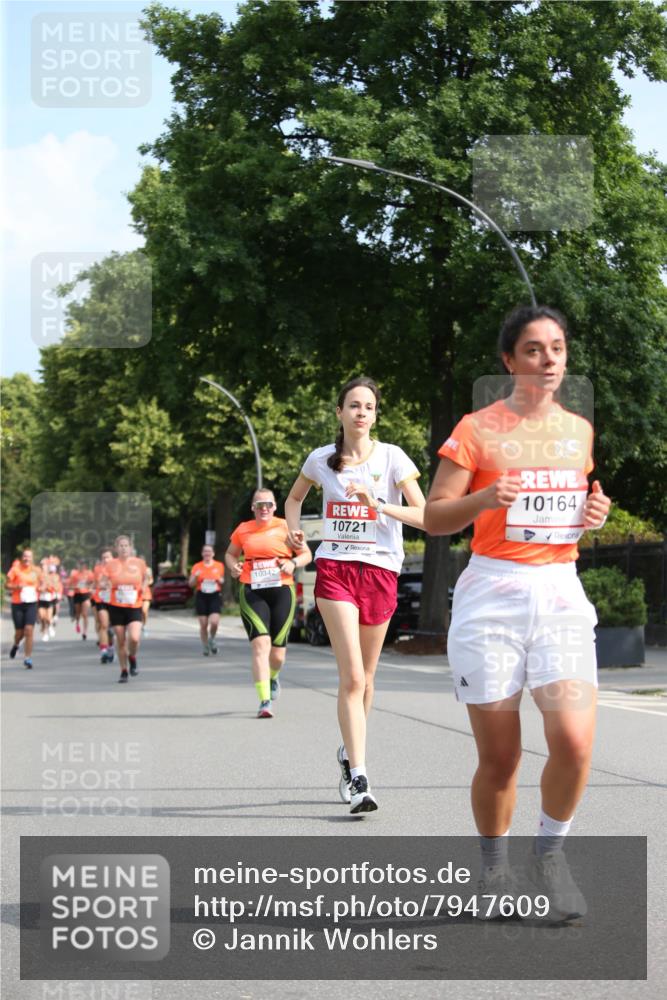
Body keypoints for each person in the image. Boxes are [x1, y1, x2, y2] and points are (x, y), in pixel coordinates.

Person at [424, 304, 611, 920]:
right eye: (534, 349)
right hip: (494, 597)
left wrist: (591, 516)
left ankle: (550, 856)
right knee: (501, 759)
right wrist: (483, 496)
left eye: (557, 348)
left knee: (575, 743)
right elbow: (435, 516)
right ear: (509, 360)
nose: (548, 359)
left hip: (558, 590)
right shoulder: (478, 428)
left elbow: (567, 512)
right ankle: (494, 871)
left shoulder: (578, 431)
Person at [285, 377, 426, 812]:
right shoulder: (321, 460)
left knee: (368, 678)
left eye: (368, 407)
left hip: (381, 570)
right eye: (353, 405)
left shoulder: (393, 458)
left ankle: (348, 752)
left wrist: (378, 505)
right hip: (336, 569)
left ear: (375, 415)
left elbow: (425, 515)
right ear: (339, 413)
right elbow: (294, 498)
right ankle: (361, 778)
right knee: (352, 678)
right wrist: (295, 534)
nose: (361, 412)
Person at [226, 489, 312, 718]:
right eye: (259, 504)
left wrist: (293, 563)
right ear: (252, 508)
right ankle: (264, 701)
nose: (264, 508)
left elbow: (307, 554)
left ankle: (273, 677)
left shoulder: (286, 527)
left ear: (275, 507)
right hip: (252, 590)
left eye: (268, 504)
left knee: (278, 654)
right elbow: (230, 554)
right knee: (260, 645)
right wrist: (233, 566)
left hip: (282, 590)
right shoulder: (243, 529)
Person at [100, 536, 149, 684]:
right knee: (120, 641)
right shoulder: (111, 565)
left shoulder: (139, 563)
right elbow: (103, 580)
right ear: (116, 548)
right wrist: (105, 586)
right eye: (120, 546)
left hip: (134, 605)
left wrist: (144, 586)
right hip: (117, 606)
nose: (123, 548)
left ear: (130, 547)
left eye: (126, 545)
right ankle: (124, 670)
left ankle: (132, 657)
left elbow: (147, 578)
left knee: (134, 638)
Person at [6, 549, 41, 669]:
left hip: (31, 603)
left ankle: (28, 658)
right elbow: (7, 585)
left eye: (29, 557)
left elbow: (43, 583)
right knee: (19, 633)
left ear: (32, 558)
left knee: (29, 630)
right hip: (17, 604)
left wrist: (43, 587)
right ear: (22, 557)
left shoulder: (36, 570)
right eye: (25, 556)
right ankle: (16, 645)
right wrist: (16, 586)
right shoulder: (16, 569)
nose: (27, 559)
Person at [188, 545, 225, 655]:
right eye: (205, 551)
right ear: (202, 553)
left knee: (214, 622)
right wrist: (195, 577)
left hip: (214, 595)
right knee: (203, 624)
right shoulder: (197, 566)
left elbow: (222, 580)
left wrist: (220, 579)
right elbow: (190, 584)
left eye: (209, 551)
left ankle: (211, 639)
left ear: (213, 553)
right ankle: (205, 646)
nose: (207, 553)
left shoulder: (219, 565)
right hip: (202, 596)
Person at [92, 547, 115, 664]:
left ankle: (110, 647)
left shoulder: (118, 569)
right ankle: (104, 651)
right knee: (103, 624)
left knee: (111, 629)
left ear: (113, 558)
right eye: (104, 558)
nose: (106, 560)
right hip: (100, 599)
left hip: (114, 601)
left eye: (108, 557)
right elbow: (96, 583)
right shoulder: (97, 569)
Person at [68, 559, 94, 639]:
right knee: (78, 614)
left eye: (83, 564)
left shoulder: (89, 573)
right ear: (78, 565)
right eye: (80, 564)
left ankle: (85, 631)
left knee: (85, 614)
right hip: (77, 594)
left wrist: (89, 587)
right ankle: (77, 623)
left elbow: (92, 582)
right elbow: (70, 585)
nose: (82, 566)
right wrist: (75, 587)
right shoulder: (74, 574)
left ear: (85, 565)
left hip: (86, 594)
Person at [37, 557, 60, 642]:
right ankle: (44, 632)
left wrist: (48, 587)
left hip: (49, 599)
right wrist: (40, 588)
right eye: (42, 565)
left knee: (48, 618)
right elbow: (36, 586)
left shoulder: (52, 576)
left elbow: (56, 586)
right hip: (41, 599)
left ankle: (50, 627)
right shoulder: (38, 576)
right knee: (42, 617)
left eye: (45, 565)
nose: (43, 567)